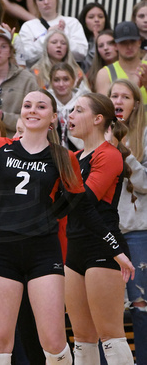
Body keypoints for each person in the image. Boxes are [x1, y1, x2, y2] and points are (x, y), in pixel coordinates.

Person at [0, 67, 134, 365]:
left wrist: (116, 249)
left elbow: (82, 208)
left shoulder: (63, 157)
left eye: (41, 106)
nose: (32, 110)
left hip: (44, 252)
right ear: (19, 114)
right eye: (27, 105)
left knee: (54, 343)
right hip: (2, 252)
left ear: (53, 117)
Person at [66, 93, 135, 365]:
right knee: (82, 339)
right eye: (70, 110)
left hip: (104, 247)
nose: (70, 115)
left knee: (111, 335)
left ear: (97, 119)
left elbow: (83, 202)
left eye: (78, 110)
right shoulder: (73, 157)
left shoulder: (109, 154)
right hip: (75, 249)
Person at [108, 79, 147, 365]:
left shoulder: (144, 134)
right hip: (105, 233)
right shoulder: (95, 135)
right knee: (106, 308)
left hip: (137, 232)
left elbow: (145, 183)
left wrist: (124, 151)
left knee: (140, 305)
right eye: (114, 96)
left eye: (125, 96)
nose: (119, 100)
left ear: (135, 104)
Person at [19, 0, 88, 67]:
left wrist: (62, 37)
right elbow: (25, 56)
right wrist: (47, 36)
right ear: (35, 3)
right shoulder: (28, 26)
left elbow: (82, 53)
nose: (46, 2)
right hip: (38, 76)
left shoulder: (72, 22)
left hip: (67, 75)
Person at [95, 21, 147, 106]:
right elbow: (105, 109)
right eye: (123, 43)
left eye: (132, 41)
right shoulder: (105, 74)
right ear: (115, 45)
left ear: (139, 42)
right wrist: (133, 89)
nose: (129, 47)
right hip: (120, 120)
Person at [48, 62, 86, 151]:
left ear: (73, 80)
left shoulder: (84, 101)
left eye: (66, 79)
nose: (61, 84)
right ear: (51, 82)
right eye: (56, 80)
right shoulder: (45, 102)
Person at [77, 2, 111, 73]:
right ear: (84, 21)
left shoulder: (113, 38)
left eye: (100, 17)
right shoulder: (78, 42)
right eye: (91, 17)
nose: (96, 20)